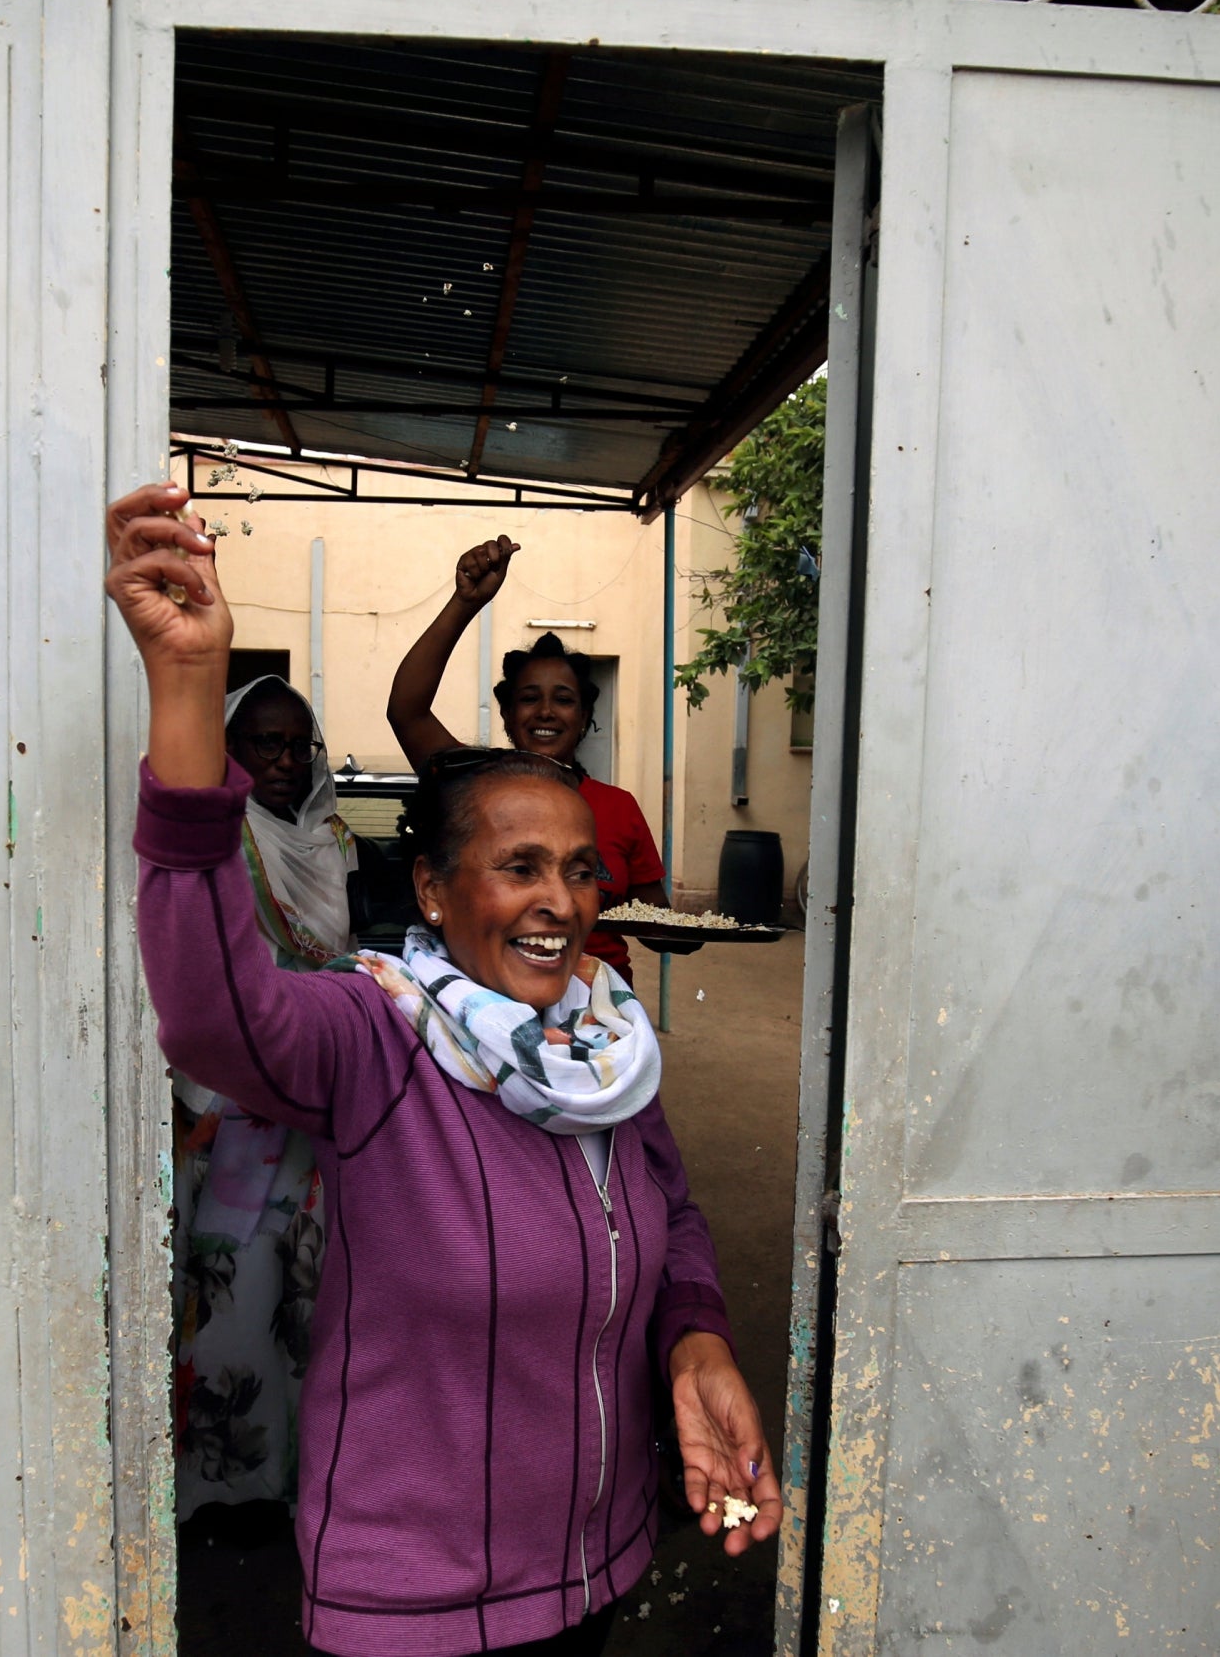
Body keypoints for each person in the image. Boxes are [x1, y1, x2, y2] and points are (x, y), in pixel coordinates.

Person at [109, 484, 780, 1657]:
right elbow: (217, 1016)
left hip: (598, 1559)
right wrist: (186, 694)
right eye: (516, 865)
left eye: (576, 869)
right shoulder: (375, 1034)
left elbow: (667, 1209)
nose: (558, 899)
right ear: (431, 889)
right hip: (414, 1594)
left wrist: (696, 1334)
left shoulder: (608, 1040)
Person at [173, 676, 353, 1519]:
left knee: (309, 1287)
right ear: (231, 750)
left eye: (298, 745)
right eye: (265, 744)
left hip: (319, 1088)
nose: (285, 761)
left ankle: (297, 1480)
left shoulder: (331, 838)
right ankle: (228, 1486)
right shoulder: (222, 836)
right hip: (236, 1099)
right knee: (235, 1288)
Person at [385, 536, 673, 978]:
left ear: (584, 716)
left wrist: (704, 931)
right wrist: (464, 603)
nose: (545, 712)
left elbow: (660, 924)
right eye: (529, 698)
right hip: (495, 999)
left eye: (563, 699)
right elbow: (406, 710)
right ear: (505, 712)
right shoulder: (475, 786)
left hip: (601, 1012)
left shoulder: (619, 807)